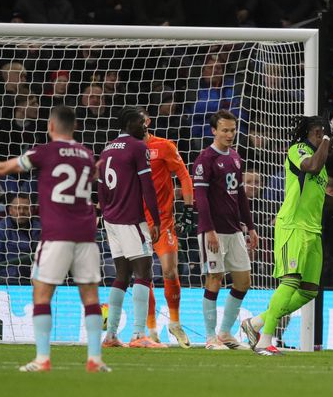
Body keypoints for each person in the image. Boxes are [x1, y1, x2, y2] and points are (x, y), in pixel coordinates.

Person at [0, 106, 110, 373]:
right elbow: (86, 177)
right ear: (75, 128)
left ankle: (43, 359)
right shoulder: (86, 154)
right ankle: (95, 359)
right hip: (86, 236)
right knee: (90, 297)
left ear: (51, 127)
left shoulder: (44, 152)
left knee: (42, 294)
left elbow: (6, 167)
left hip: (57, 235)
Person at [242, 116, 333, 355]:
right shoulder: (299, 150)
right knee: (290, 282)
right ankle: (265, 341)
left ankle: (255, 324)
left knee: (308, 291)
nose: (327, 140)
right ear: (313, 133)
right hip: (293, 226)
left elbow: (319, 196)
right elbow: (311, 167)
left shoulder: (321, 162)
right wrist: (326, 134)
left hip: (312, 230)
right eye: (321, 134)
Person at [192, 110, 258, 350]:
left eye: (233, 130)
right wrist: (208, 230)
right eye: (225, 130)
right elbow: (201, 198)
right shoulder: (205, 160)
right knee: (215, 279)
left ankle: (225, 333)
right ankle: (210, 338)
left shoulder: (235, 158)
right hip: (213, 231)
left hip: (234, 231)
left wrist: (250, 227)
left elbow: (240, 196)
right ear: (214, 131)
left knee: (243, 281)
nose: (230, 134)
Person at [100, 107, 163, 348]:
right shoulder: (138, 147)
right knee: (144, 273)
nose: (145, 125)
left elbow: (101, 188)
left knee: (122, 275)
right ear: (129, 124)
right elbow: (147, 186)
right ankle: (138, 335)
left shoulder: (107, 148)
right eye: (140, 122)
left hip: (111, 219)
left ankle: (111, 335)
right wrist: (155, 220)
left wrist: (106, 212)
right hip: (130, 219)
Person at [142, 111, 194, 348]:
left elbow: (183, 175)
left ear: (148, 121)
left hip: (163, 222)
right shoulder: (125, 149)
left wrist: (188, 208)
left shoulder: (163, 147)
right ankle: (151, 330)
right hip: (136, 222)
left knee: (169, 271)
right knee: (143, 277)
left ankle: (174, 323)